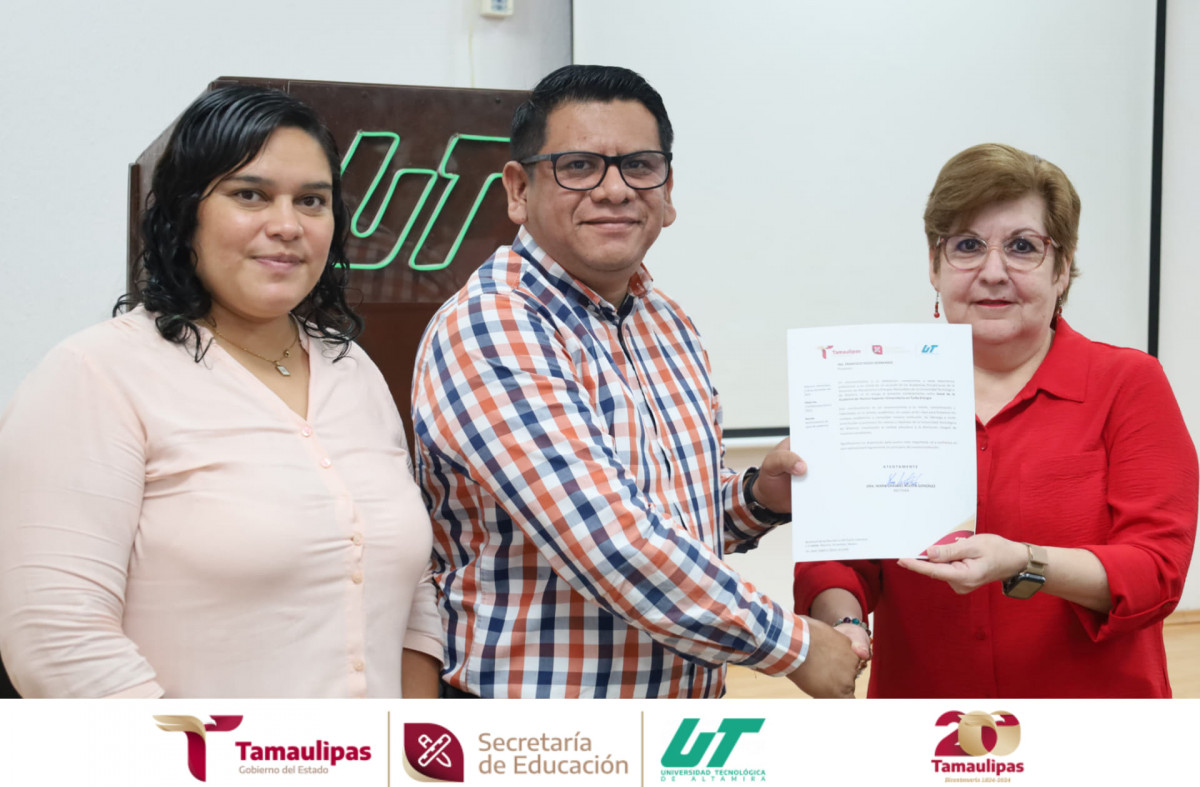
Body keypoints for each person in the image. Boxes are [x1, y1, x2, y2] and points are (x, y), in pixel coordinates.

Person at [410, 64, 864, 699]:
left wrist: (759, 497)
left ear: (668, 190)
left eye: (639, 166)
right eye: (578, 167)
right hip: (543, 734)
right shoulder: (492, 325)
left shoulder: (666, 322)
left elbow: (672, 520)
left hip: (682, 725)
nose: (615, 190)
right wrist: (794, 647)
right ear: (518, 189)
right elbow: (610, 542)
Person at [0, 85, 442, 698]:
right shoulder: (95, 374)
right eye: (250, 195)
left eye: (311, 201)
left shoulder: (353, 370)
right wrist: (210, 756)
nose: (286, 226)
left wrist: (404, 748)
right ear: (187, 214)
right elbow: (56, 640)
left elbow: (413, 603)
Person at [794, 143, 1198, 698]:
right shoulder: (878, 382)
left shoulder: (1128, 383)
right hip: (928, 721)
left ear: (1062, 268)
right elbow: (840, 556)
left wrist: (1025, 562)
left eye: (1022, 247)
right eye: (967, 246)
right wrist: (844, 623)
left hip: (1094, 722)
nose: (992, 272)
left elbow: (1156, 570)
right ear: (934, 265)